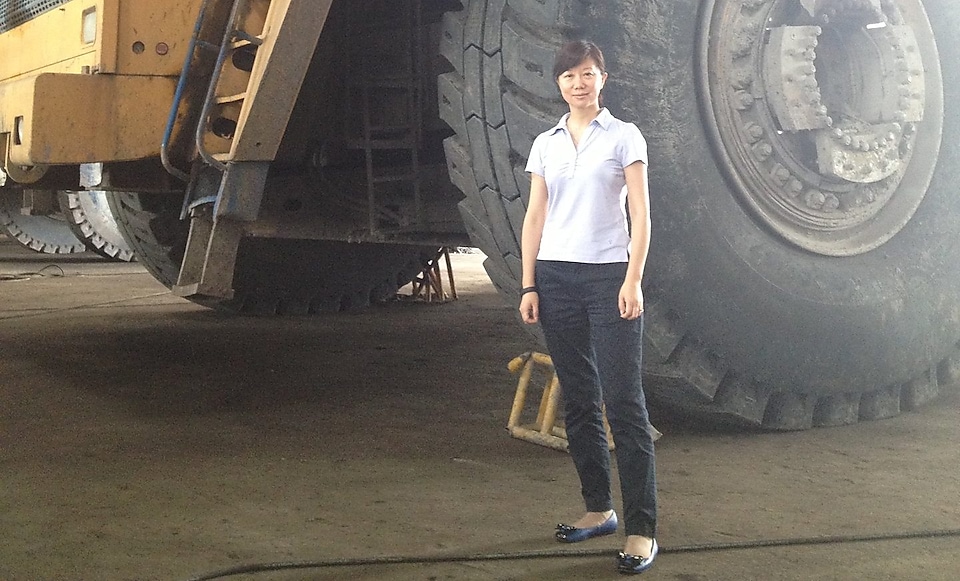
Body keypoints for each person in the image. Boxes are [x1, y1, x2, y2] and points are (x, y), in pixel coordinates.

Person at [518, 40, 658, 575]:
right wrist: (529, 284)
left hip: (608, 282)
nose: (579, 83)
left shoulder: (625, 137)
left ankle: (642, 530)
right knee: (579, 400)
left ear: (604, 79)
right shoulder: (545, 143)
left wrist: (633, 279)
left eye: (588, 73)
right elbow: (535, 216)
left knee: (624, 403)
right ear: (558, 83)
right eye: (570, 75)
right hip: (555, 280)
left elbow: (642, 216)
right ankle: (598, 509)